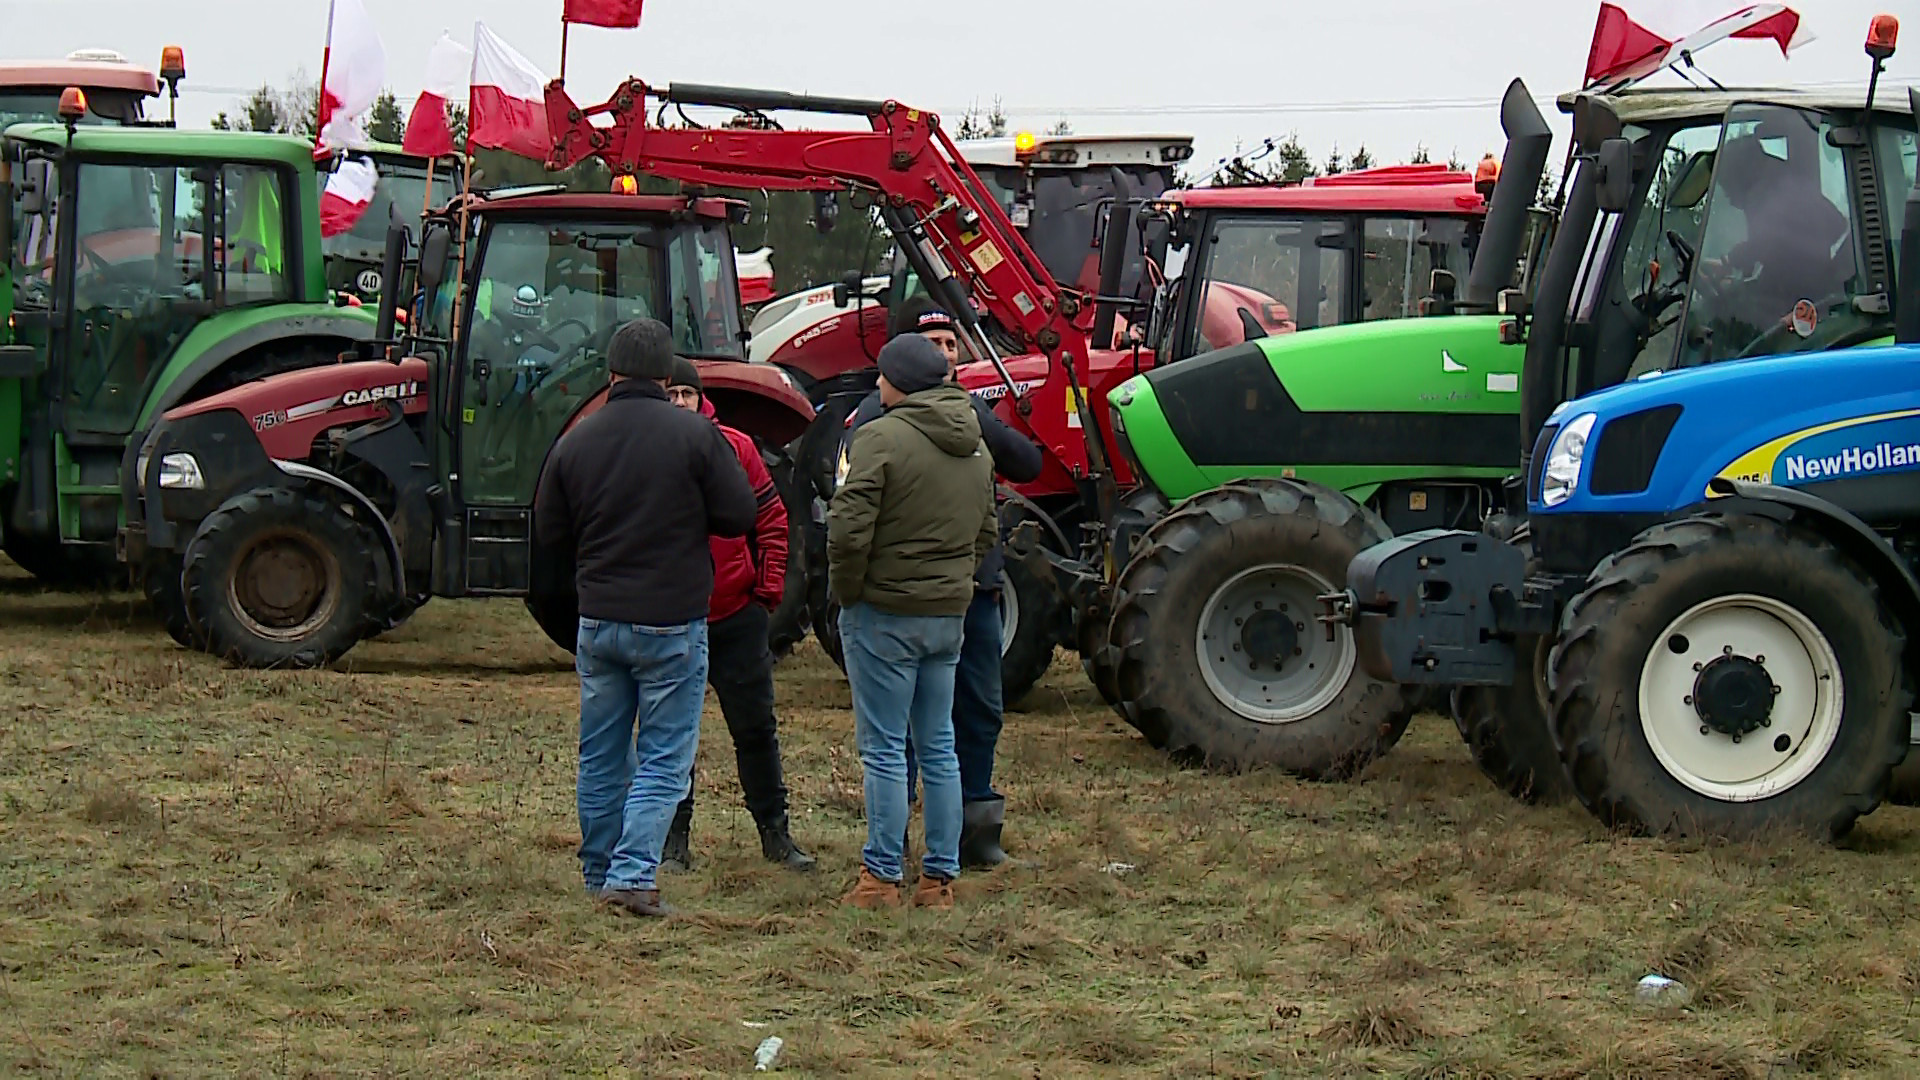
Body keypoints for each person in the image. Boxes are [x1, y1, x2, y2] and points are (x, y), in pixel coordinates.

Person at [532, 317, 757, 918]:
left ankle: (598, 872)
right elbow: (739, 515)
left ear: (609, 374)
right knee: (664, 755)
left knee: (600, 753)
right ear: (666, 377)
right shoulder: (694, 437)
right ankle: (632, 877)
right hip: (672, 621)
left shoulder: (576, 439)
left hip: (600, 619)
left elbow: (548, 533)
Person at [841, 298, 1043, 868]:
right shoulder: (872, 419)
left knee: (977, 711)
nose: (945, 355)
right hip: (911, 595)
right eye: (932, 346)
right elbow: (849, 518)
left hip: (970, 593)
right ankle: (900, 840)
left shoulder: (971, 417)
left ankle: (974, 836)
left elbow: (1026, 463)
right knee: (906, 730)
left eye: (951, 344)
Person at [827, 333, 997, 910]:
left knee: (883, 748)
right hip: (947, 617)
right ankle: (939, 879)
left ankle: (880, 876)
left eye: (881, 376)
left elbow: (847, 530)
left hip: (884, 613)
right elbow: (986, 533)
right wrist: (953, 584)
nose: (877, 385)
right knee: (940, 746)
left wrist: (850, 594)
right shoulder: (975, 446)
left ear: (896, 381)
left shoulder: (877, 439)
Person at [660, 358, 815, 872]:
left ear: (701, 399)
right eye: (671, 393)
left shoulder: (736, 448)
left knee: (755, 730)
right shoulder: (650, 450)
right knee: (672, 735)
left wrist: (766, 592)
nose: (680, 402)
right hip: (676, 617)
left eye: (687, 393)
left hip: (735, 614)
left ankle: (776, 835)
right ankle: (672, 841)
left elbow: (771, 517)